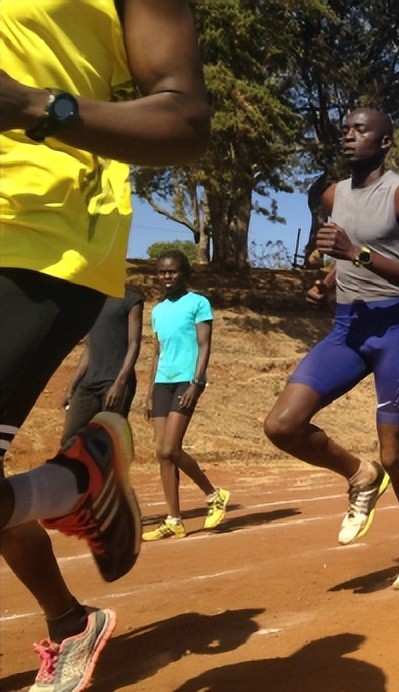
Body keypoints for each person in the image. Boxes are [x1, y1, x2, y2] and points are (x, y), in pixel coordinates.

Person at [0, 1, 209, 689]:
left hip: (38, 235)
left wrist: (33, 106)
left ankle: (73, 485)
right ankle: (70, 489)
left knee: (174, 444)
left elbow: (184, 119)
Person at [264, 107, 399, 591]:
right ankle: (358, 475)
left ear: (385, 142)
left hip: (394, 328)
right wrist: (327, 280)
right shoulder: (333, 194)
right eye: (345, 128)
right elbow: (345, 254)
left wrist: (354, 254)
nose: (349, 136)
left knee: (395, 456)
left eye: (361, 130)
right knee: (282, 425)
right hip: (348, 326)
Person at [142, 250, 230, 540]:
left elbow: (205, 346)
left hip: (186, 380)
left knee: (170, 449)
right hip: (162, 382)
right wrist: (149, 392)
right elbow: (156, 352)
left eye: (173, 271)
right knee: (162, 455)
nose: (167, 277)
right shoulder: (156, 311)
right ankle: (173, 519)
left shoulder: (199, 303)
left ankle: (214, 494)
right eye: (162, 272)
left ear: (184, 272)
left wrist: (196, 381)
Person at [61, 288, 145, 442]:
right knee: (69, 439)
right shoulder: (92, 301)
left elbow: (134, 344)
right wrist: (72, 385)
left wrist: (119, 384)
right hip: (89, 382)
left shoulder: (131, 299)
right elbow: (89, 348)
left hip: (114, 381)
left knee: (108, 441)